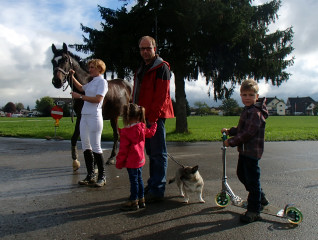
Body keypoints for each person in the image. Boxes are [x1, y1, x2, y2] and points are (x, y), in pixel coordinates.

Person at [132, 36, 174, 203]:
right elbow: (136, 93)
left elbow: (162, 96)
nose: (145, 52)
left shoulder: (162, 67)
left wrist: (153, 119)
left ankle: (158, 189)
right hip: (142, 116)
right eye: (142, 49)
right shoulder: (142, 68)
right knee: (150, 152)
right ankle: (153, 183)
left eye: (148, 48)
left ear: (155, 48)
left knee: (158, 153)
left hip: (155, 116)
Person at [221, 79, 269, 223]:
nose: (247, 98)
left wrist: (231, 142)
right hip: (244, 151)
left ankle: (254, 210)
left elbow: (248, 133)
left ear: (257, 96)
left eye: (250, 95)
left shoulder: (255, 112)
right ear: (241, 95)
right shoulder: (248, 110)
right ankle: (260, 197)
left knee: (252, 181)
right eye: (244, 95)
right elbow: (242, 129)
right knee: (242, 175)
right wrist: (230, 131)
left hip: (252, 152)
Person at [70, 59, 108, 187]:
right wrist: (72, 76)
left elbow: (98, 99)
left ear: (99, 69)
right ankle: (90, 174)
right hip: (84, 116)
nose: (90, 69)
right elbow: (80, 87)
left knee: (96, 146)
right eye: (90, 67)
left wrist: (79, 97)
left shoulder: (102, 82)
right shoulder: (92, 82)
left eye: (92, 67)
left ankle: (102, 176)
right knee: (86, 146)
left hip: (94, 117)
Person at [116, 103, 157, 211]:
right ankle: (141, 198)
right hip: (140, 159)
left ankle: (133, 200)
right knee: (139, 179)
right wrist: (154, 125)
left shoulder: (126, 132)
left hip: (131, 161)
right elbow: (150, 133)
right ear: (139, 115)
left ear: (126, 117)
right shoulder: (142, 127)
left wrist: (119, 162)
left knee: (133, 180)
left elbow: (123, 150)